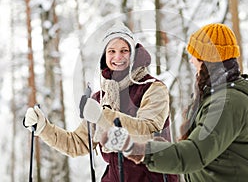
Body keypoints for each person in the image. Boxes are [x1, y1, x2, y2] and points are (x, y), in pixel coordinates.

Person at [100, 23, 248, 182]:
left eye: (195, 57)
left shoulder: (228, 103)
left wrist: (137, 149)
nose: (192, 61)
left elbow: (194, 153)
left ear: (208, 60)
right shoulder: (214, 97)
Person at [24, 22, 178, 182]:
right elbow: (77, 143)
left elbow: (148, 132)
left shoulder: (152, 88)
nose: (118, 57)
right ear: (104, 56)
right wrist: (43, 128)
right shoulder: (100, 98)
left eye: (124, 51)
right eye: (111, 51)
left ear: (133, 54)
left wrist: (103, 117)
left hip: (153, 177)